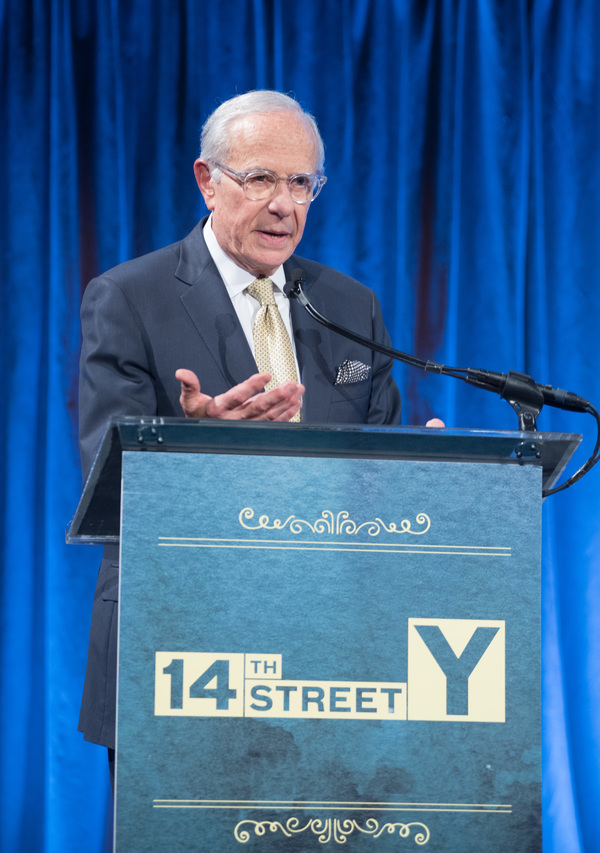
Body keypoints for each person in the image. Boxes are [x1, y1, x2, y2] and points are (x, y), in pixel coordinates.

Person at [77, 90, 440, 768]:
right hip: (183, 657)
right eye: (261, 178)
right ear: (207, 182)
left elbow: (372, 476)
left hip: (330, 665)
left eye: (302, 182)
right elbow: (106, 482)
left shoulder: (347, 305)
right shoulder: (130, 297)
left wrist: (423, 475)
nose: (285, 204)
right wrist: (195, 440)